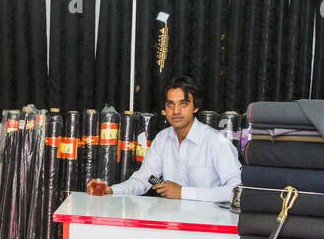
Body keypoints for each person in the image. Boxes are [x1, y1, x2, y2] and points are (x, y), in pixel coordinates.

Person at [88, 75, 240, 201]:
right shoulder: (162, 139)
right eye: (170, 104)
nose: (176, 111)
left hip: (211, 227)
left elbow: (237, 190)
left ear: (195, 107)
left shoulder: (215, 141)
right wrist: (111, 191)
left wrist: (183, 193)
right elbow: (142, 180)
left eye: (183, 104)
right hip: (171, 224)